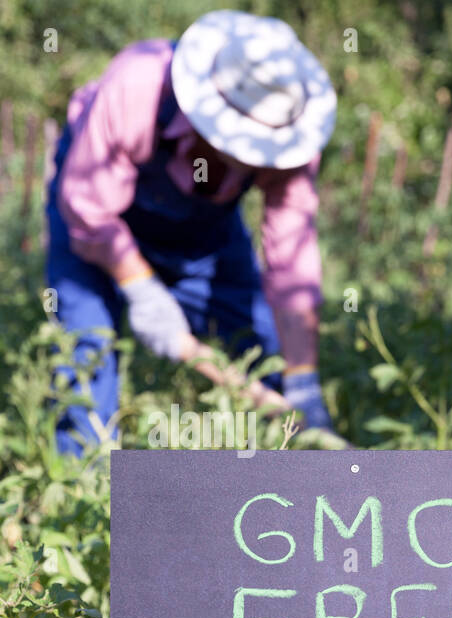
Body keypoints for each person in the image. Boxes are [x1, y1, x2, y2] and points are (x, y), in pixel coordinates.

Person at [45, 9, 339, 456]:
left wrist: (303, 379)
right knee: (88, 345)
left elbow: (292, 264)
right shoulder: (138, 88)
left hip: (206, 229)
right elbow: (89, 211)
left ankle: (285, 478)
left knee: (262, 347)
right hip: (93, 217)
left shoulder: (292, 137)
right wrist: (140, 287)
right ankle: (86, 495)